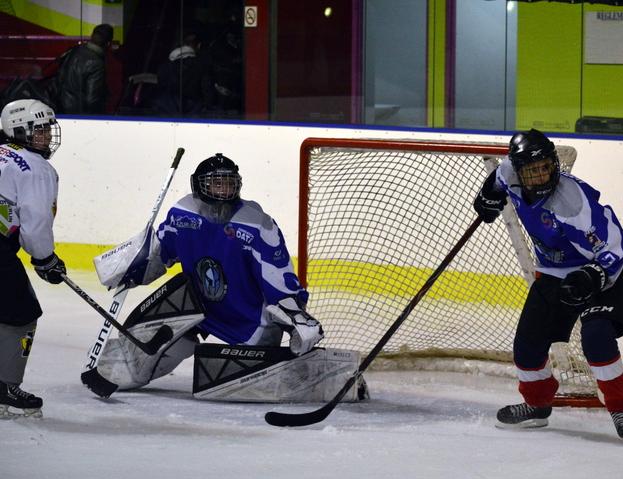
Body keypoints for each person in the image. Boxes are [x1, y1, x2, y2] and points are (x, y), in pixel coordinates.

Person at [94, 153, 363, 402]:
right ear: (199, 186)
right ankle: (124, 367)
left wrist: (296, 317)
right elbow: (159, 253)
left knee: (258, 380)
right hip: (197, 309)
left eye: (229, 183)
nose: (224, 190)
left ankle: (330, 377)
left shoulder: (257, 224)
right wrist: (131, 265)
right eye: (216, 183)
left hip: (249, 321)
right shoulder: (182, 214)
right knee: (161, 342)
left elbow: (279, 279)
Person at [473, 128, 623, 440]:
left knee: (597, 338)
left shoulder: (572, 203)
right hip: (553, 273)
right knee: (527, 344)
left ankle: (619, 407)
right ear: (520, 171)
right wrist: (488, 195)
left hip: (602, 274)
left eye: (546, 167)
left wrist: (592, 276)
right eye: (533, 170)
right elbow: (498, 180)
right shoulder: (509, 172)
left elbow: (615, 247)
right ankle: (536, 405)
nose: (542, 175)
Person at [0, 99, 66, 418]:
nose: (47, 136)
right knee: (22, 313)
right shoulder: (37, 168)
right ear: (18, 130)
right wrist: (45, 259)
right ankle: (5, 388)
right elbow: (36, 224)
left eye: (47, 129)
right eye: (38, 130)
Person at [55, 23, 113, 114]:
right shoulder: (97, 63)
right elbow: (92, 100)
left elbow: (59, 78)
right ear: (108, 43)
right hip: (80, 114)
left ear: (92, 36)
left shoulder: (74, 51)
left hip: (62, 108)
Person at [154, 32, 213, 116]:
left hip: (165, 113)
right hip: (194, 114)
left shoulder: (164, 66)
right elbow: (207, 92)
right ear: (199, 46)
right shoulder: (202, 66)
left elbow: (160, 90)